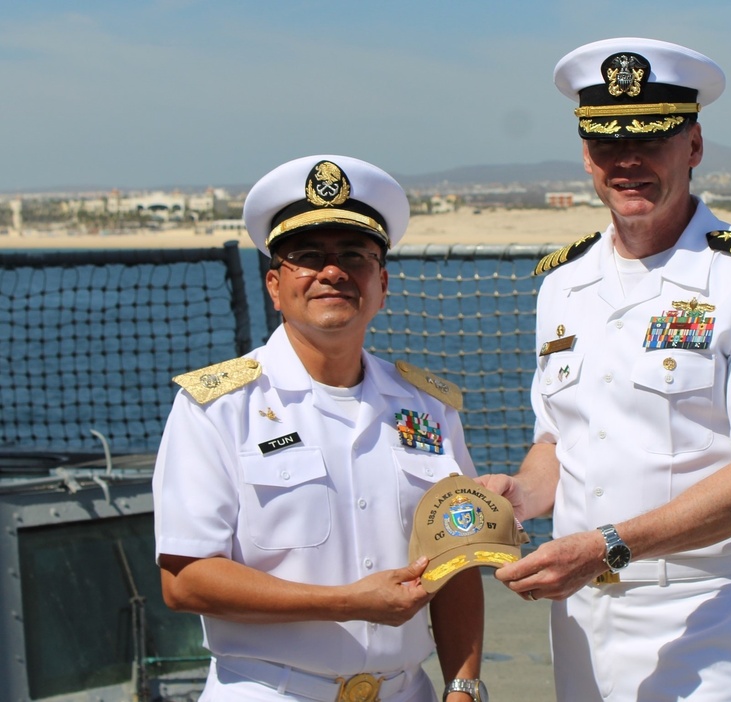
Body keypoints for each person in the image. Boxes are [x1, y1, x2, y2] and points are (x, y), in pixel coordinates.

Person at [479, 38, 731, 701]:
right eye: (607, 144)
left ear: (693, 146)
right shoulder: (563, 283)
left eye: (650, 139)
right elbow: (560, 440)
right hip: (579, 613)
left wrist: (606, 546)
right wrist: (521, 496)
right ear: (586, 155)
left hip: (697, 608)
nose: (627, 161)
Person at [153, 155, 488, 702]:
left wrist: (464, 687)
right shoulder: (217, 408)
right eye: (307, 257)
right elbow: (184, 579)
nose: (332, 272)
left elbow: (460, 561)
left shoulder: (429, 408)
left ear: (381, 284)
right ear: (274, 285)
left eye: (354, 257)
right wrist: (347, 603)